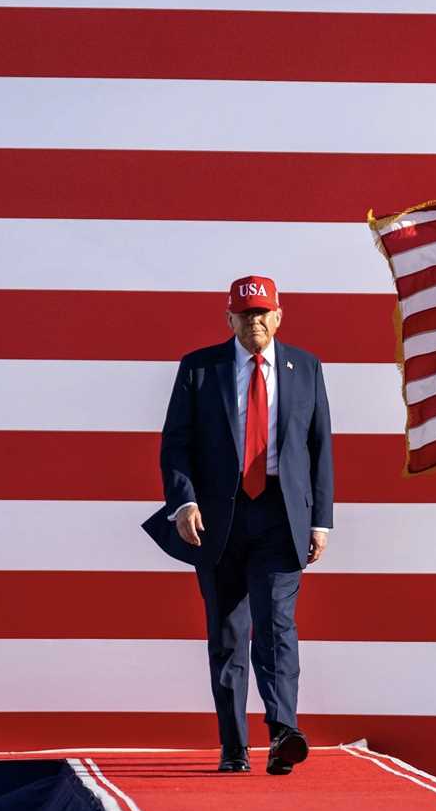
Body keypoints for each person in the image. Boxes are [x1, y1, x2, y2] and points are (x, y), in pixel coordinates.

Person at [141, 275, 334, 776]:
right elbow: (175, 444)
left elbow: (320, 449)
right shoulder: (200, 369)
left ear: (278, 315)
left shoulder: (306, 368)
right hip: (218, 520)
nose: (255, 323)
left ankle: (282, 734)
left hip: (281, 515)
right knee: (228, 634)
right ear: (229, 319)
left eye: (263, 313)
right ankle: (234, 746)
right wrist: (183, 504)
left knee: (277, 627)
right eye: (245, 315)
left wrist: (322, 521)